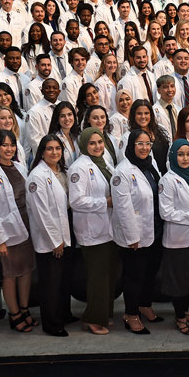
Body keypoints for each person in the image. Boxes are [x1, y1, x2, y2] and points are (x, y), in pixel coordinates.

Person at [111, 129, 163, 335]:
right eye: (140, 144)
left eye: (147, 143)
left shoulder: (150, 165)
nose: (144, 148)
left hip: (154, 229)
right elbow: (123, 208)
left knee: (149, 273)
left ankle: (144, 306)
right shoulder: (122, 172)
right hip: (135, 236)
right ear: (131, 145)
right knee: (134, 275)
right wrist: (132, 237)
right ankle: (131, 314)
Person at [0, 130, 37, 333]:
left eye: (12, 145)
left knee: (26, 270)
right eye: (4, 145)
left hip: (26, 225)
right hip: (7, 232)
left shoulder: (21, 168)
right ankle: (14, 313)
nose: (9, 149)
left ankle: (24, 309)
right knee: (11, 273)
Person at [69, 128, 117, 335]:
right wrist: (104, 202)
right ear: (84, 145)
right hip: (92, 230)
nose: (98, 146)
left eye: (100, 142)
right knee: (97, 277)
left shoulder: (104, 163)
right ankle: (92, 319)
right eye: (92, 143)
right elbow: (76, 201)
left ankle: (103, 313)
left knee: (107, 276)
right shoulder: (78, 168)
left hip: (107, 228)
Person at [27, 135, 73, 337]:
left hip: (64, 235)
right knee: (50, 284)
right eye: (49, 149)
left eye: (58, 148)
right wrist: (55, 241)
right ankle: (52, 323)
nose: (54, 152)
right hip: (50, 241)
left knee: (63, 281)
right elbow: (41, 213)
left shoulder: (61, 172)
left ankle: (64, 314)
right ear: (42, 152)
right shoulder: (37, 176)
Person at [158, 139, 189, 336]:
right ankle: (179, 317)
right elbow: (165, 212)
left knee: (188, 278)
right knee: (178, 281)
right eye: (180, 154)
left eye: (188, 154)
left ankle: (185, 311)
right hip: (177, 239)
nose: (185, 158)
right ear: (173, 157)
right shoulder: (167, 180)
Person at [48, 101, 81, 167]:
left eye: (69, 114)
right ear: (57, 119)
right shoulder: (55, 139)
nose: (67, 119)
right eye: (62, 116)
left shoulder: (77, 136)